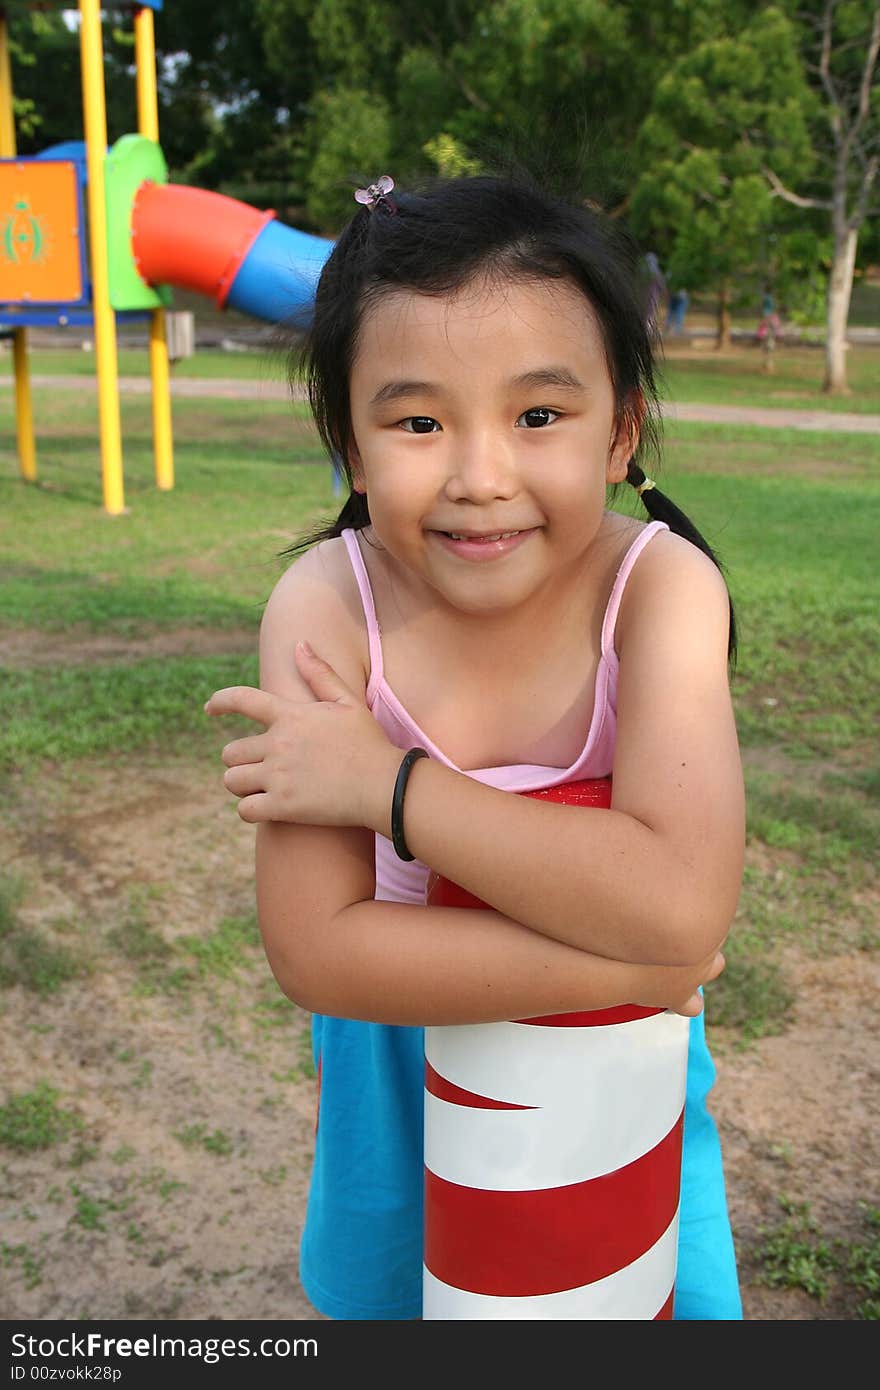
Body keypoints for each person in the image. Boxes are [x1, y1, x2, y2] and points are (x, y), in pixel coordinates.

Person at [204, 172, 745, 1321]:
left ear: (620, 431)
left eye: (538, 415)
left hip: (616, 1099)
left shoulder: (658, 591)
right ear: (350, 446)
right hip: (399, 1100)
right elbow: (320, 952)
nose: (480, 476)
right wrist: (635, 968)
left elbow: (682, 904)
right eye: (417, 421)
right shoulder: (326, 605)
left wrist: (387, 787)